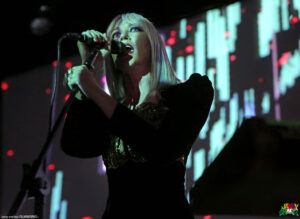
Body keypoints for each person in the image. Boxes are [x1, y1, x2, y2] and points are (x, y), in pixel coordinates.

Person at [61, 12, 214, 219]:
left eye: (133, 30)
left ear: (152, 43)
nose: (122, 38)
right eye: (115, 35)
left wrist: (94, 90)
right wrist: (90, 67)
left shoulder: (190, 91)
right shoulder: (110, 109)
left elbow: (163, 150)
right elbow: (75, 145)